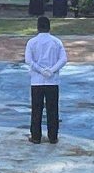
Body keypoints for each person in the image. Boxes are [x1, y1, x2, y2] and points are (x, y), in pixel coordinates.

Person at [24, 15, 66, 145]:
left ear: (37, 27)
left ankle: (36, 136)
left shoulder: (32, 42)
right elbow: (63, 59)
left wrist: (40, 70)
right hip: (52, 81)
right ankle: (53, 136)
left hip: (37, 81)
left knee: (36, 109)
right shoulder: (56, 42)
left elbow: (28, 60)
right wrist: (52, 70)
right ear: (49, 27)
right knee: (52, 109)